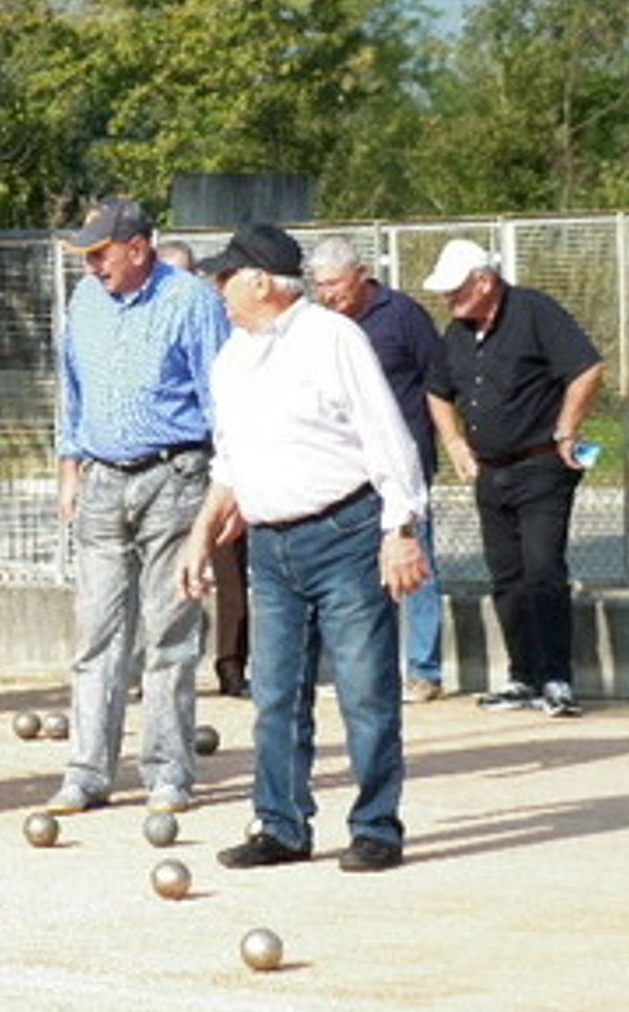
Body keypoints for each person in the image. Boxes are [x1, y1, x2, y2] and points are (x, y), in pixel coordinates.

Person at [180, 223, 429, 873]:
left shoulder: (333, 339)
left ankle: (376, 826)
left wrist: (399, 531)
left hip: (345, 533)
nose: (218, 288)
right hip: (271, 546)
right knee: (276, 695)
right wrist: (200, 535)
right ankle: (282, 826)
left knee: (364, 691)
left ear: (261, 281)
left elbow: (388, 437)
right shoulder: (232, 358)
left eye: (226, 277)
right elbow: (228, 462)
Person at [49, 198, 230, 816]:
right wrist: (69, 467)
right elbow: (71, 390)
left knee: (170, 631)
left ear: (139, 247)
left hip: (173, 477)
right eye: (87, 257)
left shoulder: (192, 301)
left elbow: (221, 401)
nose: (92, 267)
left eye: (101, 254)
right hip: (100, 480)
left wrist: (224, 492)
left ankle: (167, 770)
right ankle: (87, 769)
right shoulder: (85, 302)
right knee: (96, 632)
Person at [422, 239, 604, 718]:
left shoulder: (534, 311)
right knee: (507, 578)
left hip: (541, 466)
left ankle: (556, 677)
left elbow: (587, 369)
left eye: (456, 291)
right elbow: (438, 391)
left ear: (484, 282)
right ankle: (522, 675)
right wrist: (456, 444)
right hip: (491, 472)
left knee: (543, 571)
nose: (449, 301)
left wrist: (567, 428)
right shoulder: (457, 332)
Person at [308, 236, 447, 704]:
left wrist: (443, 444)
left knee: (414, 566)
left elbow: (438, 381)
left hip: (401, 466)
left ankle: (424, 671)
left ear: (362, 273)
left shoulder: (402, 314)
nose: (329, 294)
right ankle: (366, 673)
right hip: (344, 471)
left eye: (336, 284)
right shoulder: (318, 325)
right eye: (320, 286)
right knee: (354, 578)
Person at [156, 238, 250, 698]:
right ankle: (162, 669)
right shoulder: (146, 325)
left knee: (229, 571)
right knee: (165, 573)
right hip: (168, 465)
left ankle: (232, 667)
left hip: (220, 459)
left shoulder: (226, 325)